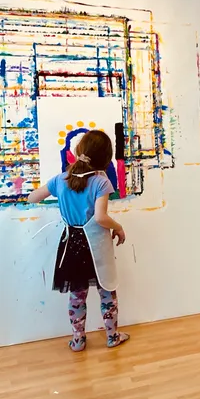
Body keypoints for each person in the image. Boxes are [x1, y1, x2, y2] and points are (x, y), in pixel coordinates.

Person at [29, 130, 130, 351]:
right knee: (107, 292)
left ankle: (78, 341)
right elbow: (101, 217)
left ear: (79, 151)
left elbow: (32, 197)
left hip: (71, 245)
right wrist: (119, 228)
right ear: (105, 158)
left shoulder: (60, 180)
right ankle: (112, 337)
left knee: (77, 295)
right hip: (95, 245)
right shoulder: (101, 182)